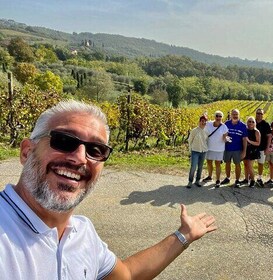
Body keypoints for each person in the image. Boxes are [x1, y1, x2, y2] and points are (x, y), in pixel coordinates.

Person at [0, 100, 217, 279]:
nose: (79, 158)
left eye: (96, 149)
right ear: (27, 152)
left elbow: (128, 274)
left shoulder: (82, 233)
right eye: (64, 141)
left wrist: (184, 235)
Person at [221, 109, 248, 188]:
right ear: (231, 115)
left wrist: (244, 151)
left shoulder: (243, 126)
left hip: (238, 149)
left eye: (236, 114)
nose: (235, 116)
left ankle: (237, 180)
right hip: (227, 148)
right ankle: (228, 178)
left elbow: (244, 139)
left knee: (237, 164)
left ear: (239, 115)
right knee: (227, 163)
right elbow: (223, 135)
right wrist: (225, 138)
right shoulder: (226, 124)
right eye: (233, 114)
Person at [202, 111, 229, 188]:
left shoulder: (224, 127)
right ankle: (210, 176)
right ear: (214, 117)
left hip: (219, 149)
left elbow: (225, 137)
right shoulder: (209, 124)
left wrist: (226, 139)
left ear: (222, 117)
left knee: (217, 164)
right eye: (217, 116)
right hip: (209, 148)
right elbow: (203, 123)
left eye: (220, 116)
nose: (218, 118)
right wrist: (204, 116)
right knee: (209, 162)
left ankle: (218, 180)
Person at [187, 115, 208, 188]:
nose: (204, 122)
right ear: (199, 122)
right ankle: (190, 181)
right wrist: (190, 150)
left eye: (205, 121)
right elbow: (190, 140)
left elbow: (207, 141)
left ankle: (197, 181)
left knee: (200, 167)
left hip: (203, 151)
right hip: (195, 151)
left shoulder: (206, 131)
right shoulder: (194, 130)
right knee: (193, 167)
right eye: (202, 121)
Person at [255, 108, 272, 187]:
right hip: (252, 147)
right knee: (249, 163)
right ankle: (248, 178)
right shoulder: (252, 122)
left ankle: (259, 178)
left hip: (262, 147)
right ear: (256, 114)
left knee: (260, 163)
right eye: (258, 113)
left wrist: (267, 147)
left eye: (261, 114)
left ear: (263, 115)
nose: (259, 115)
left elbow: (269, 136)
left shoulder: (266, 124)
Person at [242, 116, 261, 188]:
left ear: (255, 123)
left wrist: (249, 141)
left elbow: (258, 143)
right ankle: (246, 179)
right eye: (249, 121)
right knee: (245, 165)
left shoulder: (256, 131)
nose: (251, 123)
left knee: (250, 166)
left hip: (253, 151)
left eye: (252, 122)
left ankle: (253, 180)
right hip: (245, 149)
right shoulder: (245, 130)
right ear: (247, 122)